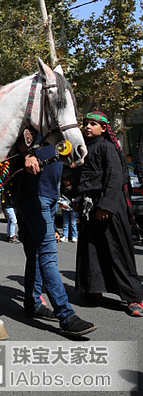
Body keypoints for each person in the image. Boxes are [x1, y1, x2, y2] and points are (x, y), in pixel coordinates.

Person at [13, 137, 97, 337]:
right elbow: (16, 135)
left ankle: (33, 303)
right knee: (47, 253)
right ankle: (66, 315)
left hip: (50, 194)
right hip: (35, 195)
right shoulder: (32, 119)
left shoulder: (56, 131)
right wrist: (26, 153)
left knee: (35, 251)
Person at [75, 110, 143, 316]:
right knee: (91, 252)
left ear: (104, 128)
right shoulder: (84, 149)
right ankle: (93, 290)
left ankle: (133, 297)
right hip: (89, 209)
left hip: (109, 209)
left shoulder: (108, 147)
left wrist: (105, 205)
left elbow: (115, 178)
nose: (87, 127)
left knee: (117, 251)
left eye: (93, 124)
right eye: (86, 123)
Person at [59, 170, 78, 243]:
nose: (65, 182)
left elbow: (75, 196)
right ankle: (65, 235)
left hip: (73, 206)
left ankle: (74, 236)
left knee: (73, 222)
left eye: (67, 181)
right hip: (65, 206)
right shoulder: (63, 187)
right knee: (65, 221)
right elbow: (61, 194)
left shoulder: (74, 188)